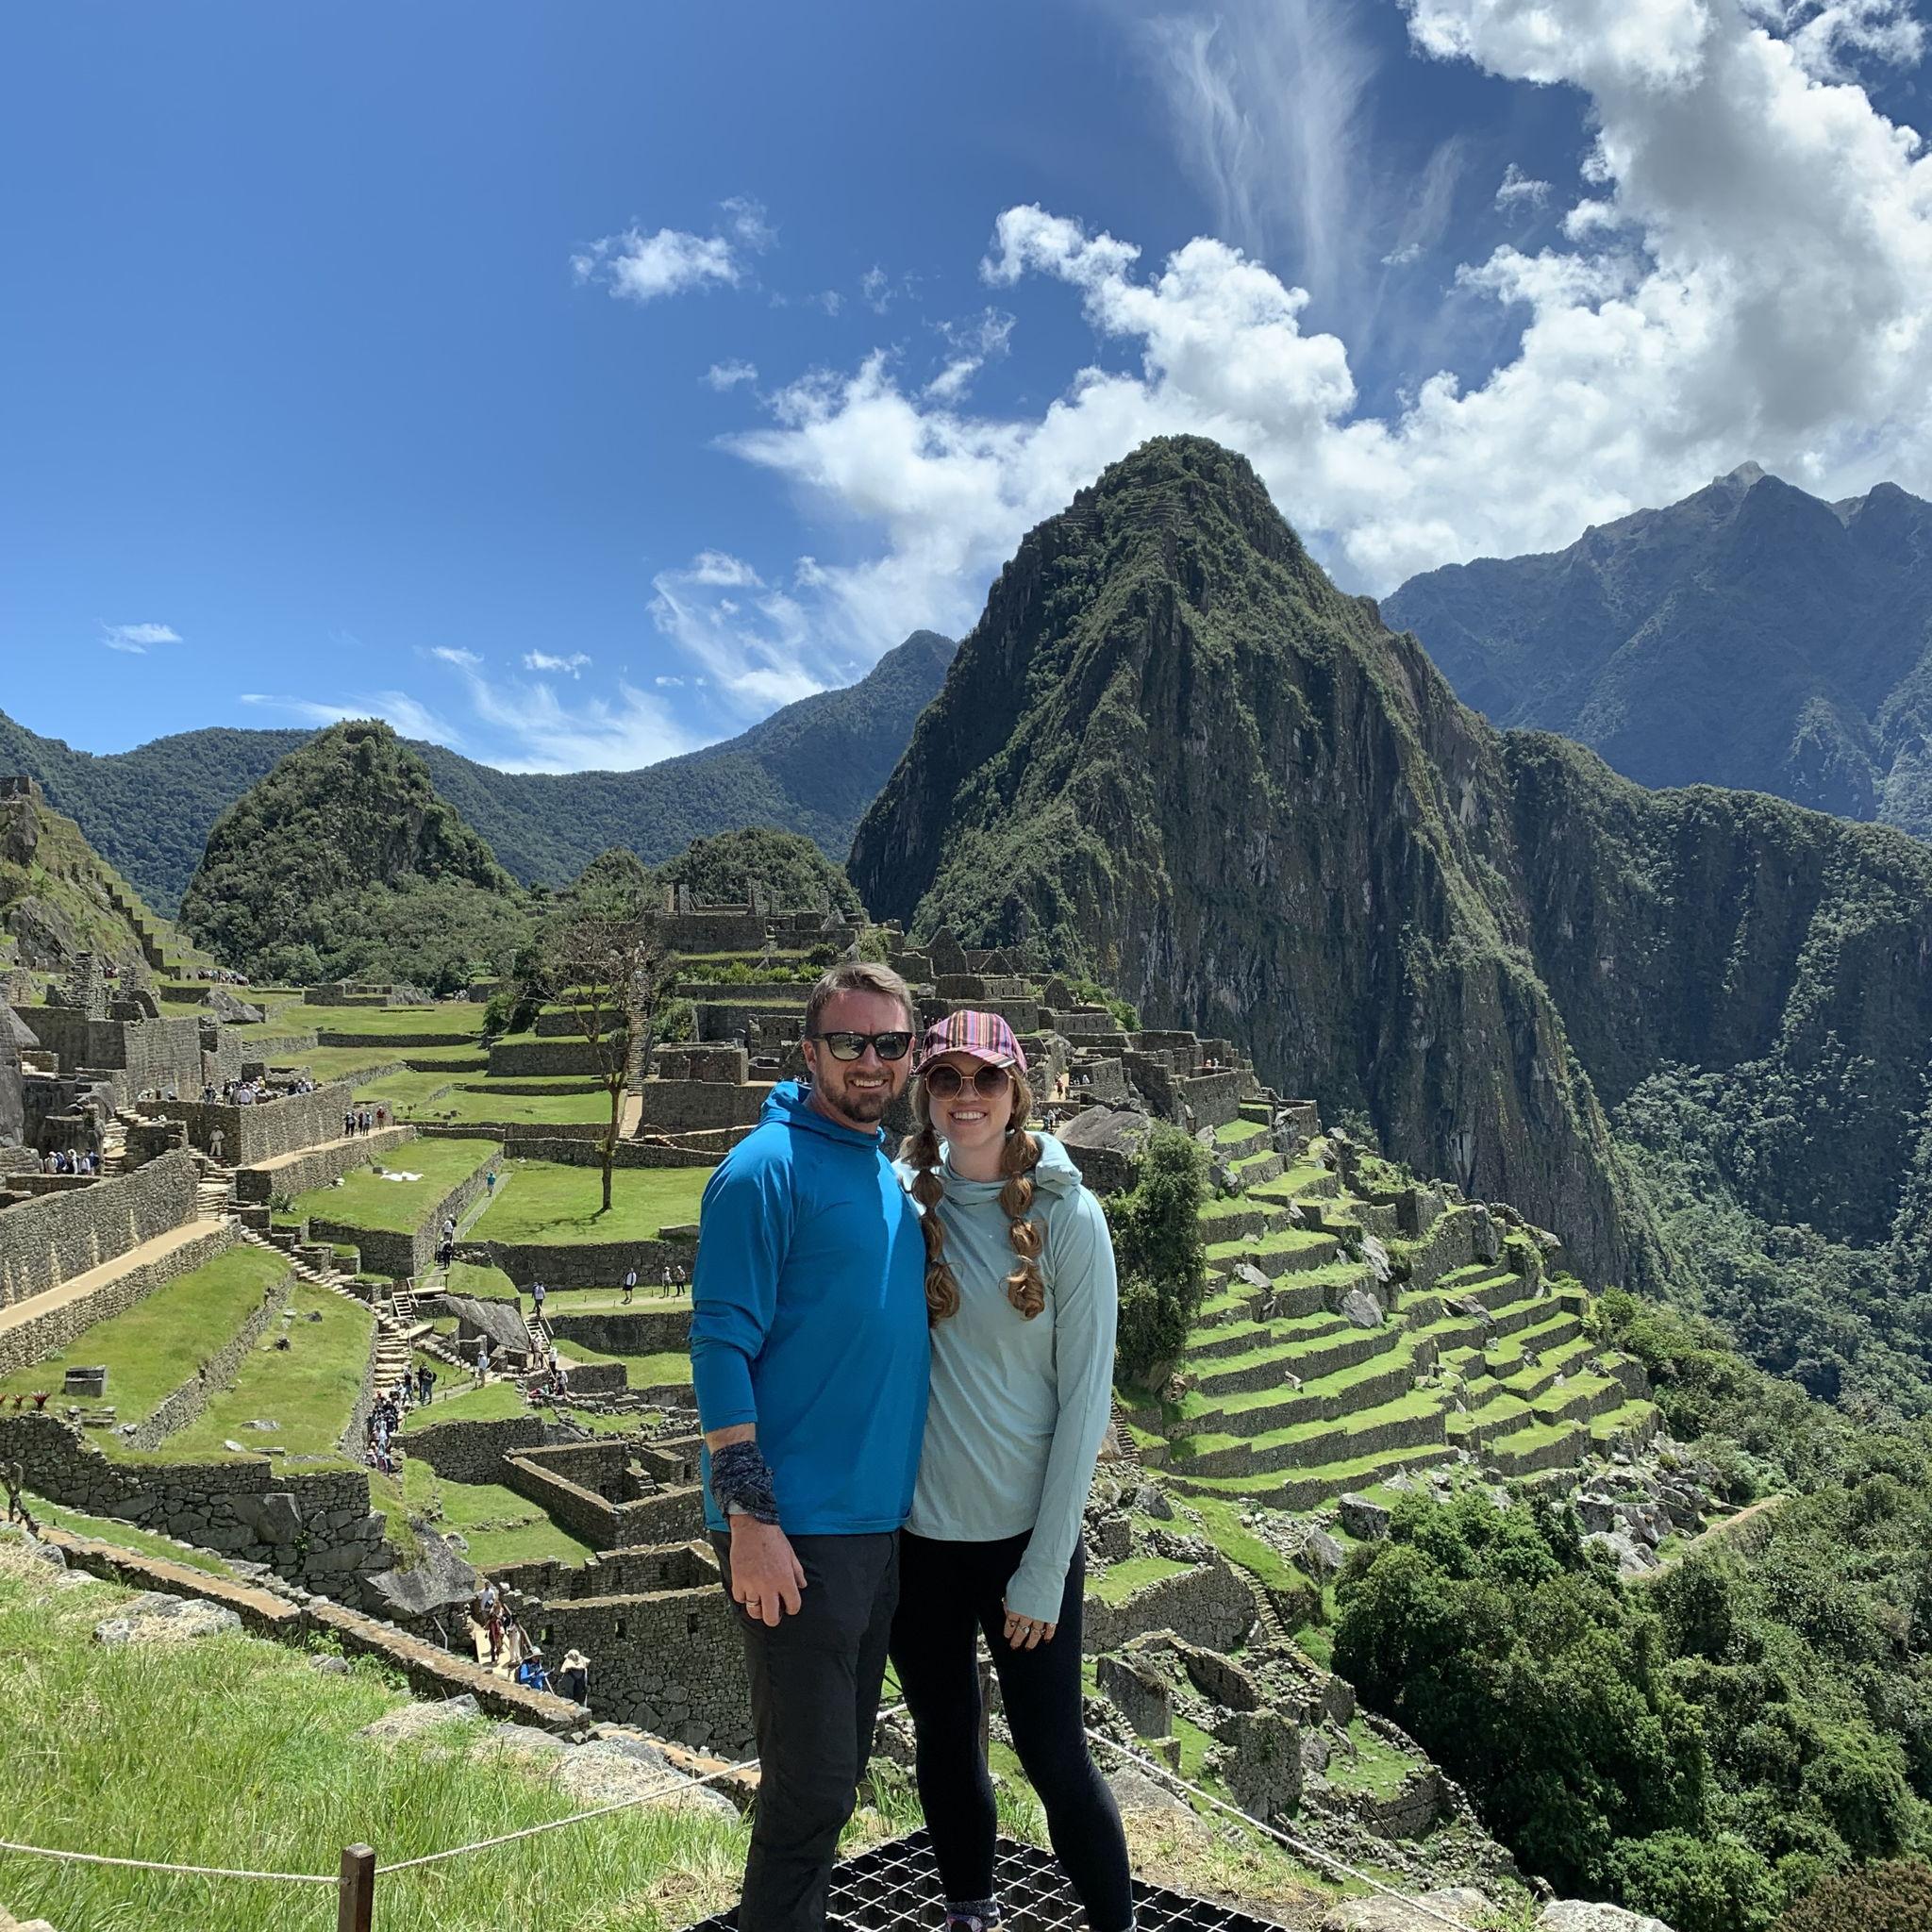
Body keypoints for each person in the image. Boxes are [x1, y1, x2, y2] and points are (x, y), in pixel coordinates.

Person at [690, 960, 930, 1932]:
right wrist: (750, 1518)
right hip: (794, 1531)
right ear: (809, 1050)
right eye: (848, 1041)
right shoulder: (765, 1170)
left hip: (874, 1530)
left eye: (889, 1043)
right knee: (810, 1788)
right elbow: (718, 1343)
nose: (870, 1061)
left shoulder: (879, 1170)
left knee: (836, 1775)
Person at [891, 1010, 1131, 1932]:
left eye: (985, 1078)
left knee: (1051, 1753)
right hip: (920, 1539)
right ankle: (969, 1912)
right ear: (926, 1093)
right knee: (947, 1742)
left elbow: (1085, 1406)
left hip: (1023, 1542)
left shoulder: (1069, 1217)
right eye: (946, 1079)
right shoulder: (905, 1201)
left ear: (1016, 1091)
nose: (967, 1096)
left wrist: (1043, 1565)